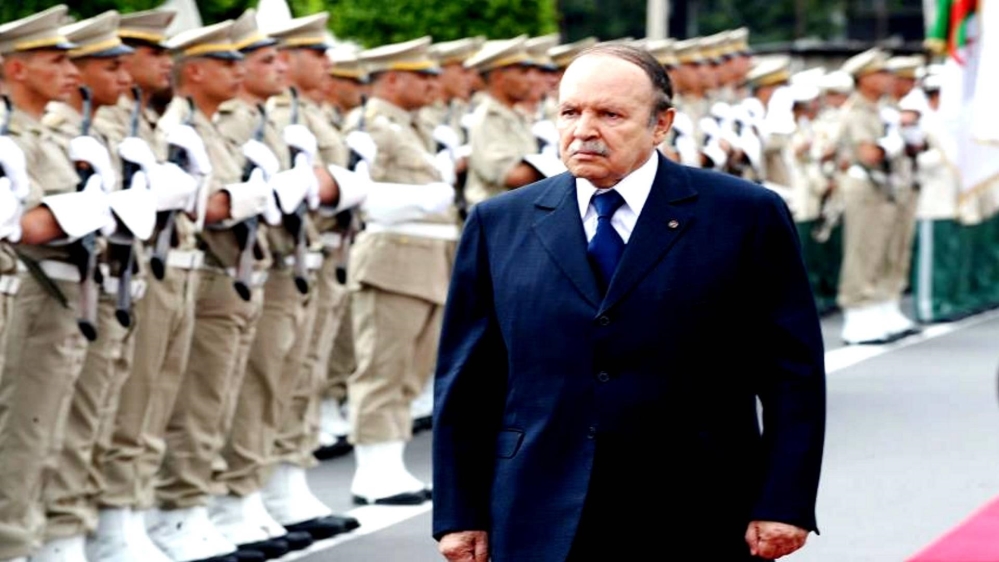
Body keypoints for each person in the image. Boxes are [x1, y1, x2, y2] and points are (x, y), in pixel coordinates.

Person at [432, 43, 826, 562]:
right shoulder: (499, 222)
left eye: (610, 114)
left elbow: (791, 373)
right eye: (570, 112)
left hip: (697, 507)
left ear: (661, 125)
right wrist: (459, 513)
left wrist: (785, 501)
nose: (584, 130)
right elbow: (467, 382)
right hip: (538, 509)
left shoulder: (744, 215)